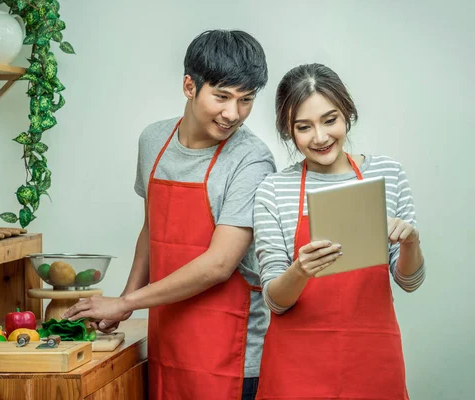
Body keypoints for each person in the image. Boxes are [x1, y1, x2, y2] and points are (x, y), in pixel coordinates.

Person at [62, 30, 276, 400]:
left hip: (230, 352)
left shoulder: (251, 159)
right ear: (189, 86)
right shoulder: (153, 140)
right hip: (167, 337)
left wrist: (126, 302)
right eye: (222, 96)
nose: (233, 114)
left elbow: (219, 264)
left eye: (246, 100)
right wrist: (125, 303)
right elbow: (152, 227)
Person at [254, 63, 426, 400]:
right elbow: (275, 301)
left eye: (330, 120)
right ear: (288, 131)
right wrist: (300, 270)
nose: (319, 137)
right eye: (303, 127)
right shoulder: (273, 190)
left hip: (373, 362)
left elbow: (410, 281)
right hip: (296, 369)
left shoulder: (387, 173)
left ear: (347, 113)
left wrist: (411, 241)